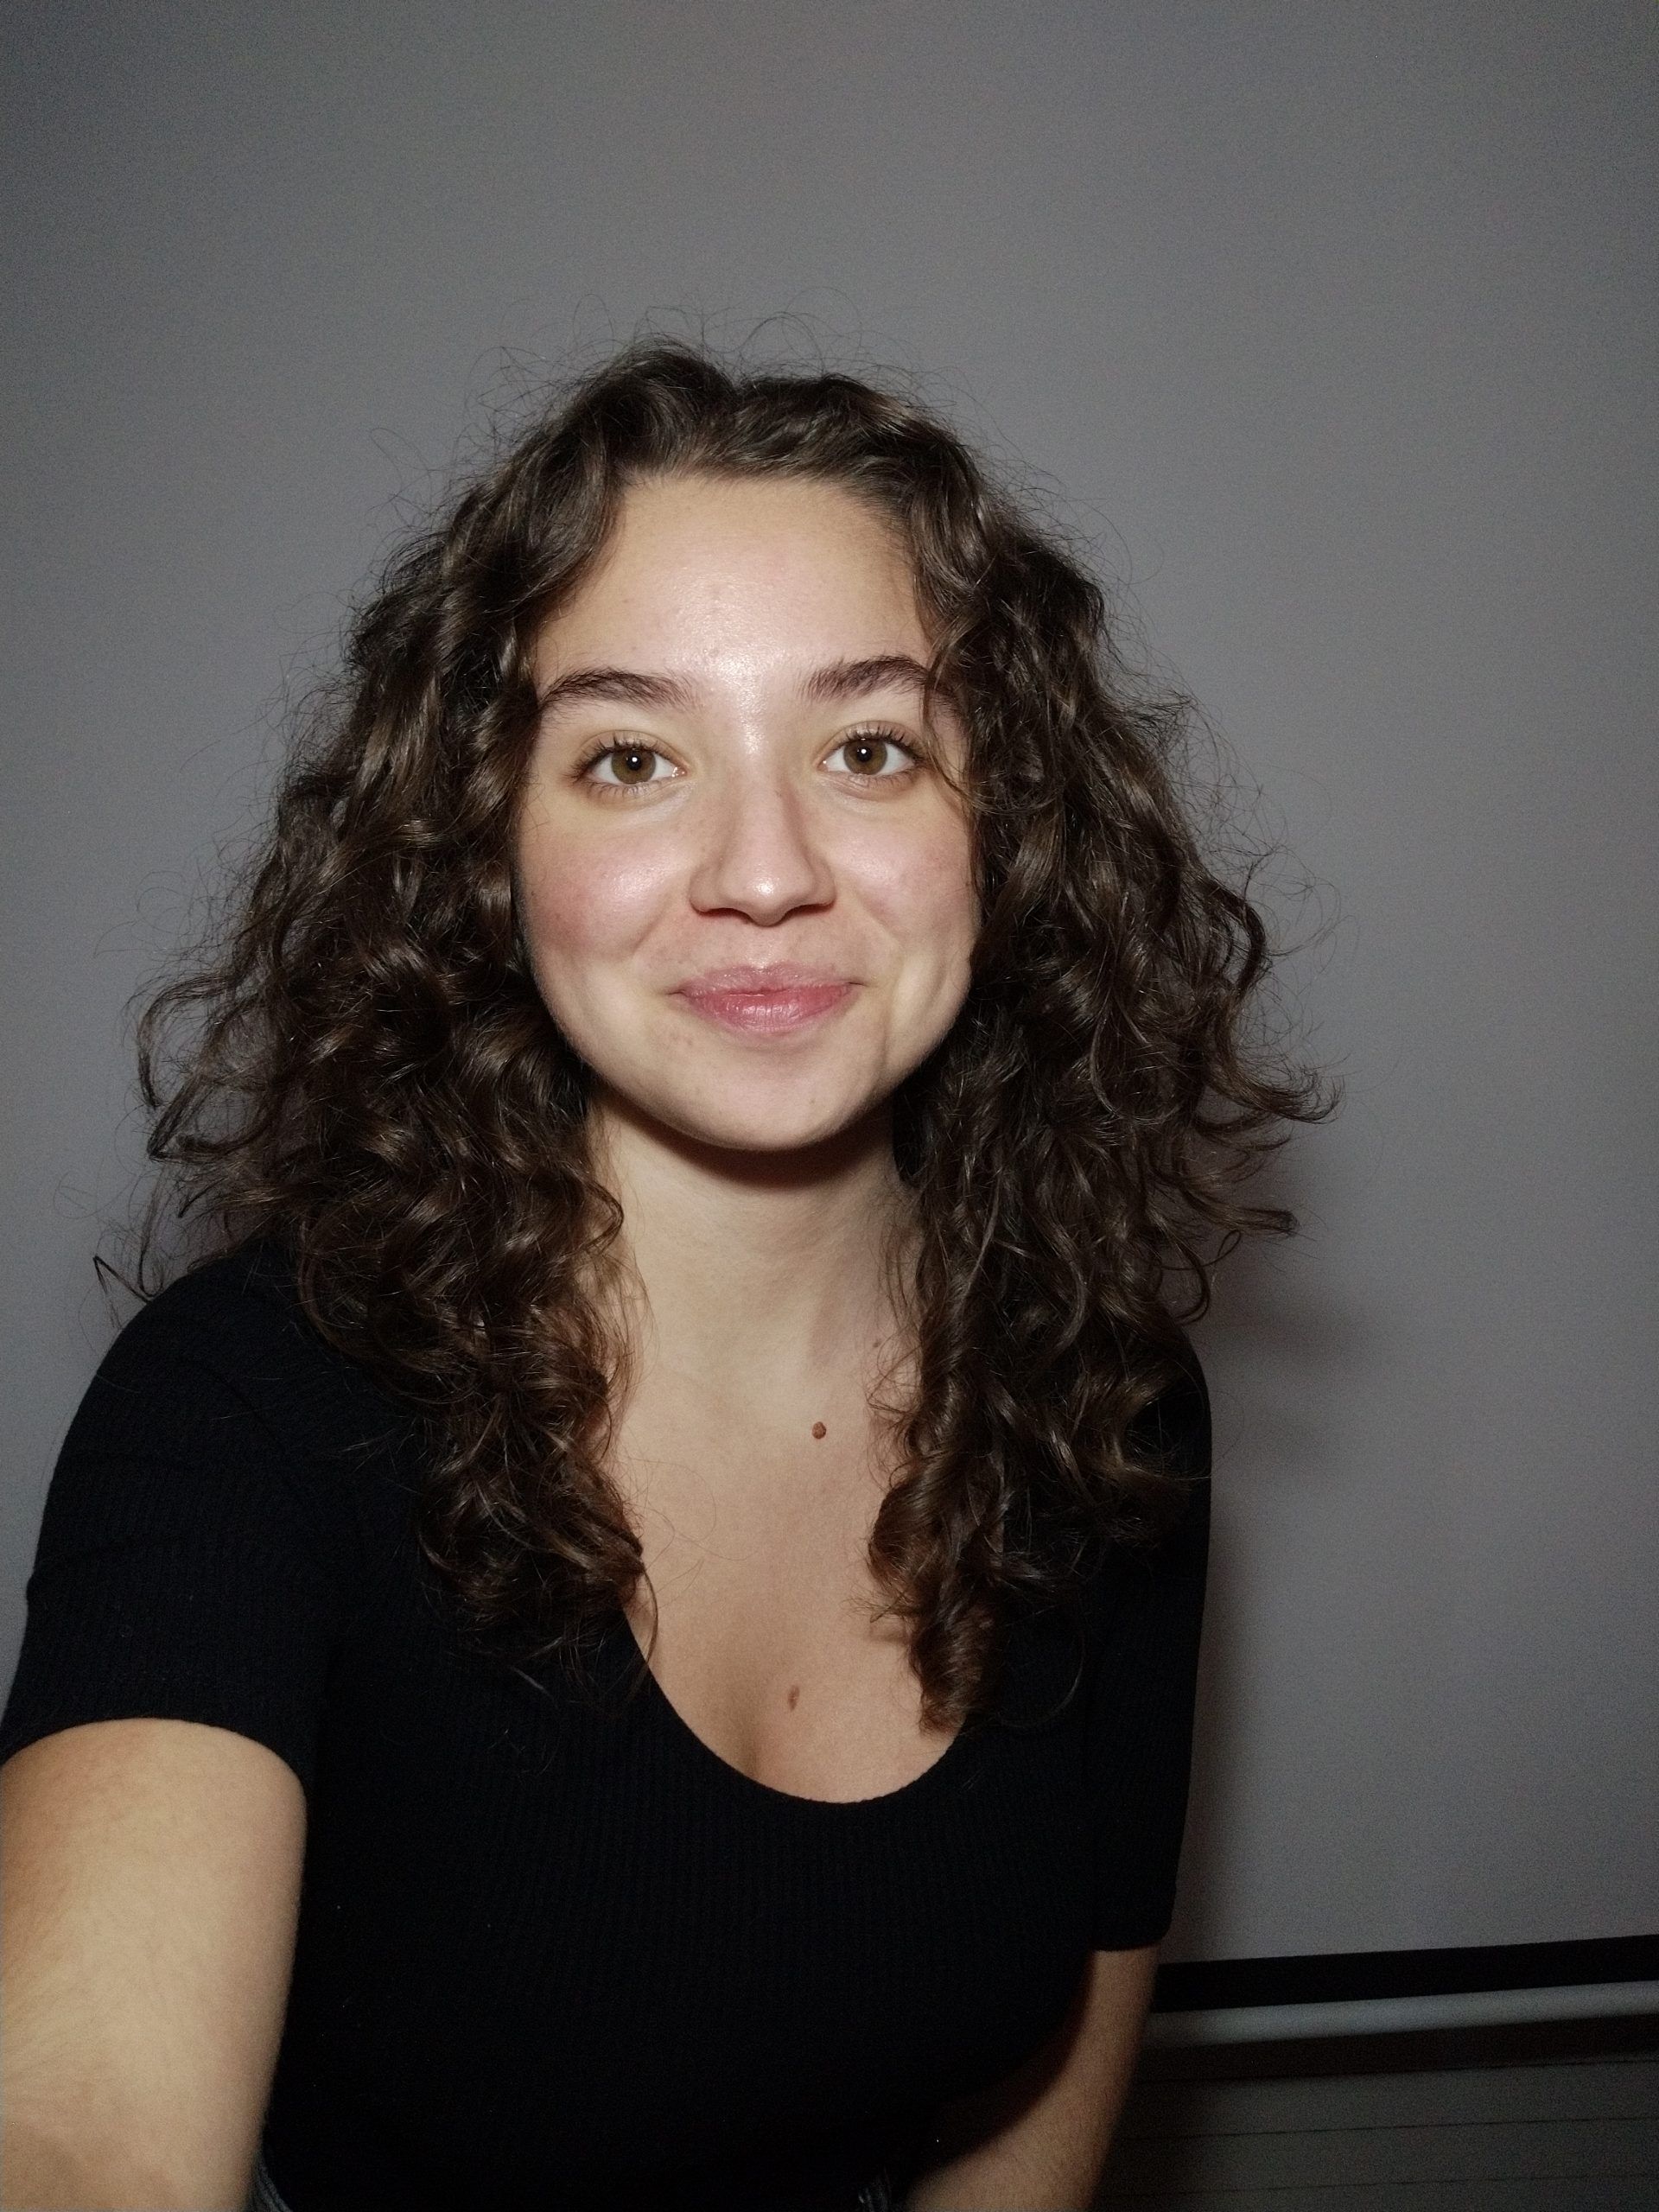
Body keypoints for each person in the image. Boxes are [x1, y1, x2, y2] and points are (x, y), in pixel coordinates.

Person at [0, 339, 1332, 2210]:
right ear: (486, 848)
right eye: (632, 758)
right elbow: (80, 2131)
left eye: (869, 748)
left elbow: (1053, 2094)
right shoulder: (245, 1413)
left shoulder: (1106, 1409)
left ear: (1008, 829)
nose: (764, 872)